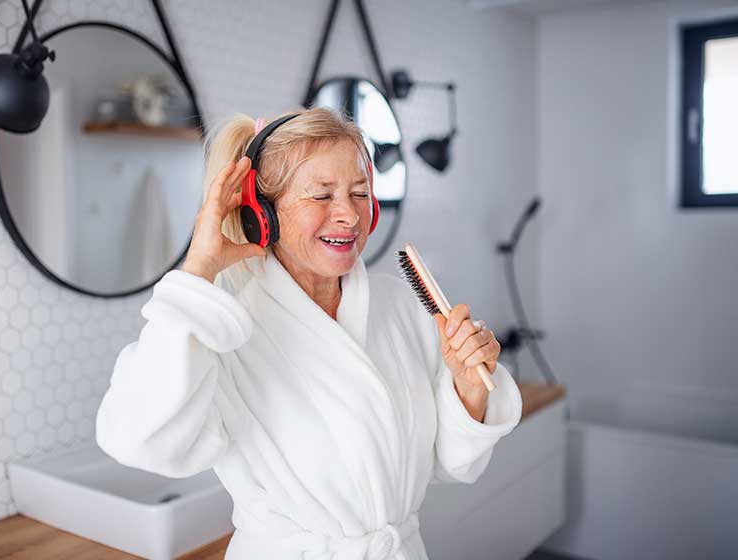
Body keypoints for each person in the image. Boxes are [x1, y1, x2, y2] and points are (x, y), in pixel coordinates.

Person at [95, 107, 523, 560]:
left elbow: (452, 463)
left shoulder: (399, 307)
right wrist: (198, 268)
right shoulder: (220, 327)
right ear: (264, 213)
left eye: (360, 193)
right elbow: (141, 440)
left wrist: (469, 389)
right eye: (321, 196)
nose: (349, 215)